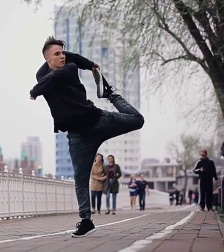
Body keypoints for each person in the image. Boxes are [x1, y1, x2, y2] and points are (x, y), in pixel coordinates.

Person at [30, 37, 144, 237]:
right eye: (57, 54)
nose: (62, 57)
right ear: (47, 59)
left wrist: (35, 91)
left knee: (137, 120)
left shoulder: (70, 69)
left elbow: (56, 76)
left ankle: (110, 94)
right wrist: (90, 65)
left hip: (98, 122)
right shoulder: (42, 74)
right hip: (78, 137)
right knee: (80, 179)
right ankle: (86, 220)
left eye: (63, 53)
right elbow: (49, 77)